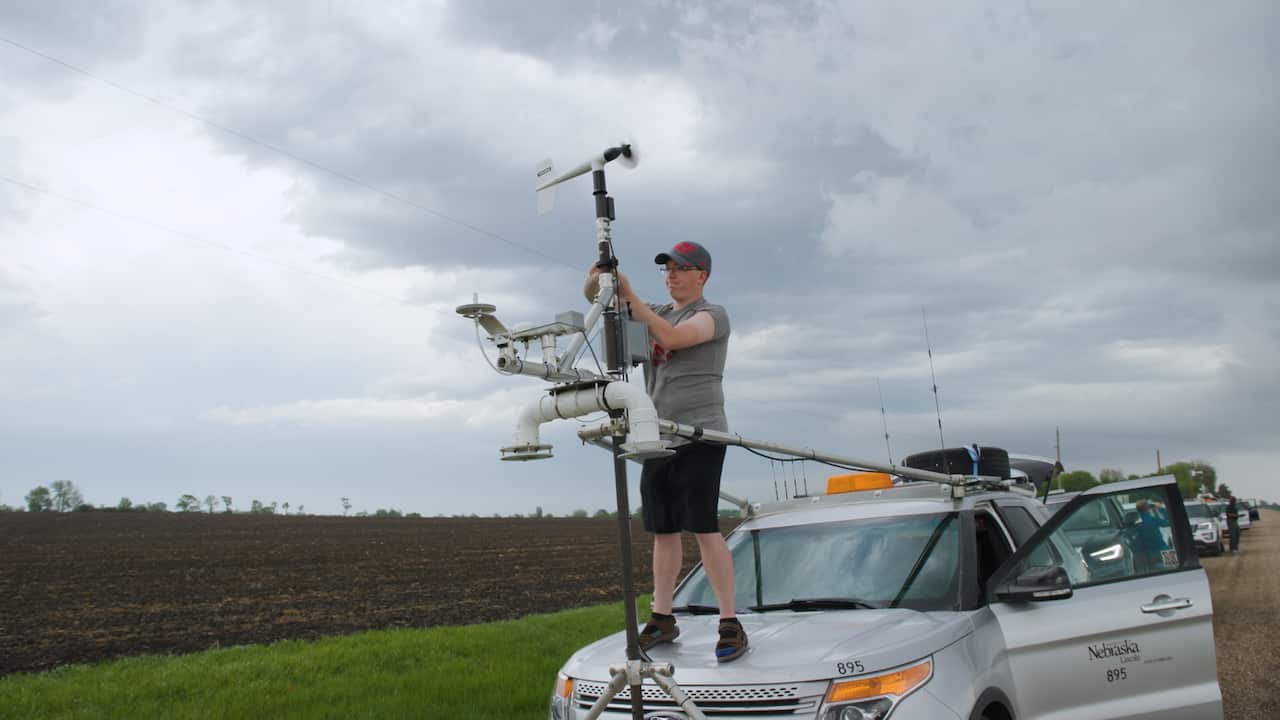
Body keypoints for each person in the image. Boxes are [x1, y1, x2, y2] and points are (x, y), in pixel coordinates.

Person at [585, 240, 746, 662]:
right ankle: (662, 616)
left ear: (702, 275)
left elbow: (672, 338)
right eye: (667, 269)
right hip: (657, 435)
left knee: (703, 526)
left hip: (701, 434)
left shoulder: (713, 316)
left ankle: (729, 622)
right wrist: (601, 280)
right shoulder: (655, 309)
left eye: (681, 268)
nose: (672, 275)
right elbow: (599, 299)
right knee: (663, 529)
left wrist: (630, 293)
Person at [1133, 499, 1173, 572]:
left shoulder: (1135, 523)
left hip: (1147, 553)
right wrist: (1161, 509)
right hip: (1163, 548)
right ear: (1148, 509)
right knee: (1174, 568)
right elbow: (1170, 521)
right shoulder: (1153, 520)